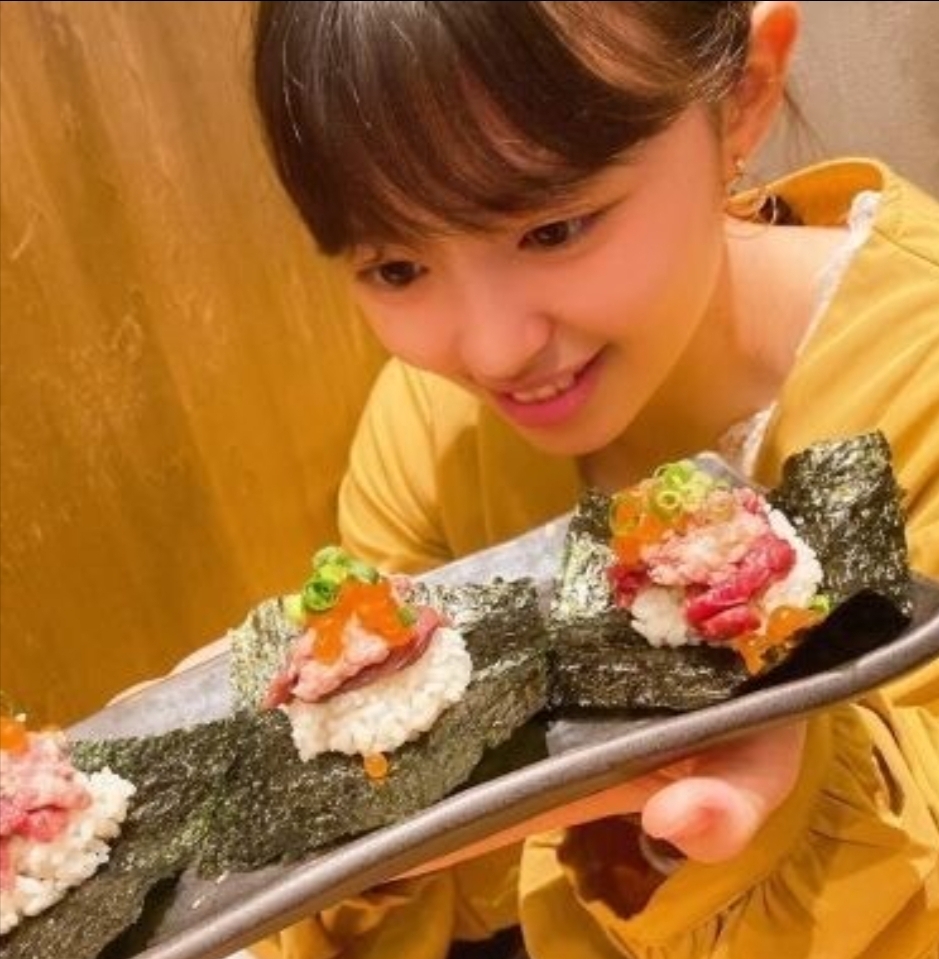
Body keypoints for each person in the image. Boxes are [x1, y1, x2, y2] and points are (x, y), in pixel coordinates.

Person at [243, 2, 939, 957]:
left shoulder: (918, 374)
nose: (493, 351)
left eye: (554, 228)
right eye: (397, 267)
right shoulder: (432, 428)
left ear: (743, 94)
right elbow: (453, 890)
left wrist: (794, 795)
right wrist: (336, 826)